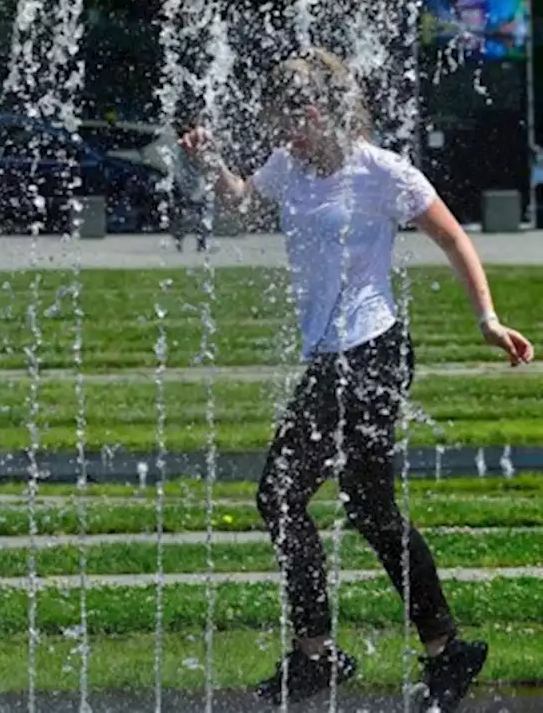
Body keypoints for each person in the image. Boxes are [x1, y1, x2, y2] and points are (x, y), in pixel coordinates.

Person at [179, 47, 534, 712]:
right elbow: (244, 206)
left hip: (371, 353)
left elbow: (452, 236)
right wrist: (212, 166)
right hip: (330, 357)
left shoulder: (381, 172)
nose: (281, 135)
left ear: (316, 112)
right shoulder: (289, 166)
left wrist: (486, 318)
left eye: (289, 120)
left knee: (279, 496)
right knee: (370, 511)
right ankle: (445, 652)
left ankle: (318, 657)